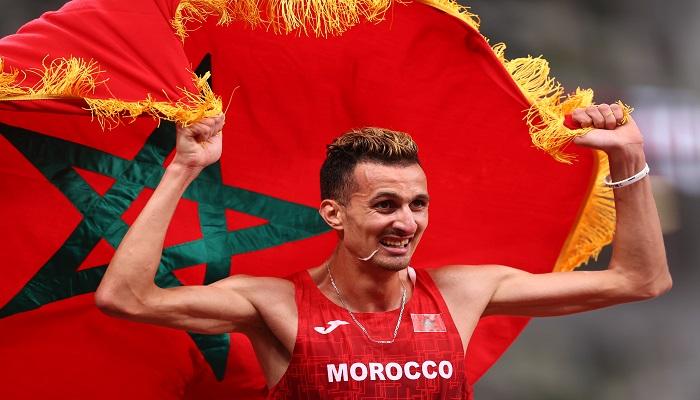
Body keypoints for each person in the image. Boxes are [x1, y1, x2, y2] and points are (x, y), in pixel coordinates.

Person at [95, 103, 671, 398]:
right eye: (385, 205)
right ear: (334, 214)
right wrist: (184, 168)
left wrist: (627, 157)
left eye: (418, 204)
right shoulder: (274, 304)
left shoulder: (464, 291)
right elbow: (127, 297)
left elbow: (640, 280)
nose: (406, 223)